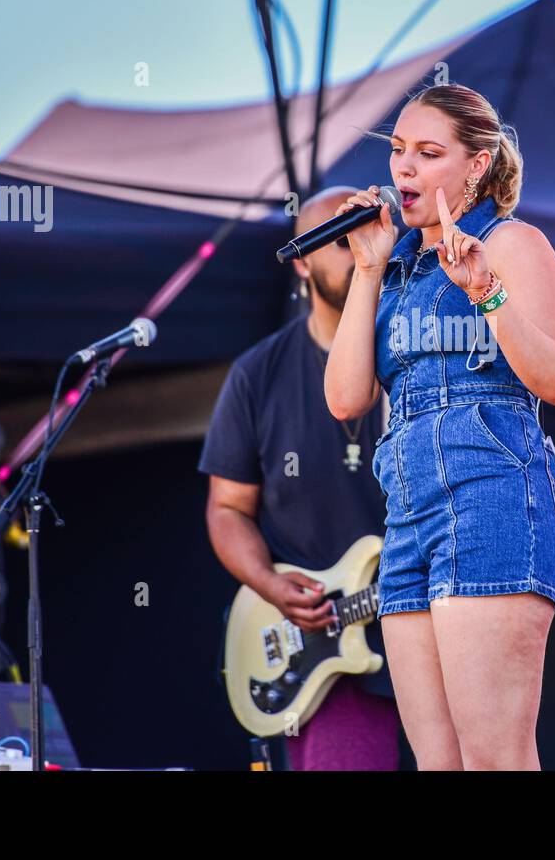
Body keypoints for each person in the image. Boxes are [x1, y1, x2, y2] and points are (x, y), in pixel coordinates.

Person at [324, 83, 555, 770]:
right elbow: (346, 398)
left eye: (428, 153)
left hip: (493, 493)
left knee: (494, 757)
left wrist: (486, 292)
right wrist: (368, 268)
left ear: (477, 164)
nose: (403, 168)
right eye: (399, 151)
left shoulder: (514, 242)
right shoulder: (397, 269)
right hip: (409, 517)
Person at [200, 186, 402, 771]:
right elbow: (227, 508)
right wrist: (267, 582)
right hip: (328, 650)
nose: (358, 246)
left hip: (431, 628)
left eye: (366, 231)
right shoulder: (258, 374)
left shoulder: (416, 352)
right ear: (302, 259)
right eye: (339, 239)